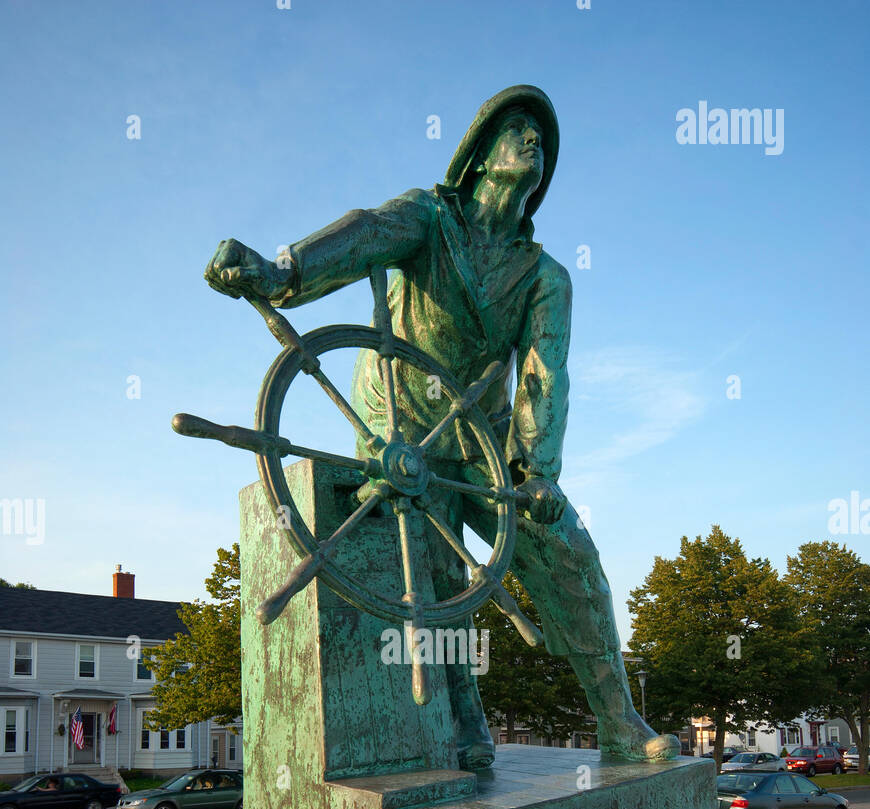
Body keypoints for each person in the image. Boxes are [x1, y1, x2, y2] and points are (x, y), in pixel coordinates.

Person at [205, 86, 679, 769]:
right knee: (435, 569)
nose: (532, 143)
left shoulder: (545, 277)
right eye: (515, 130)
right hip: (398, 426)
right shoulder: (429, 216)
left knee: (570, 556)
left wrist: (538, 469)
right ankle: (463, 728)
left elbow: (545, 375)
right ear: (478, 154)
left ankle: (618, 721)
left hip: (481, 443)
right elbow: (362, 233)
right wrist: (282, 272)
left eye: (540, 139)